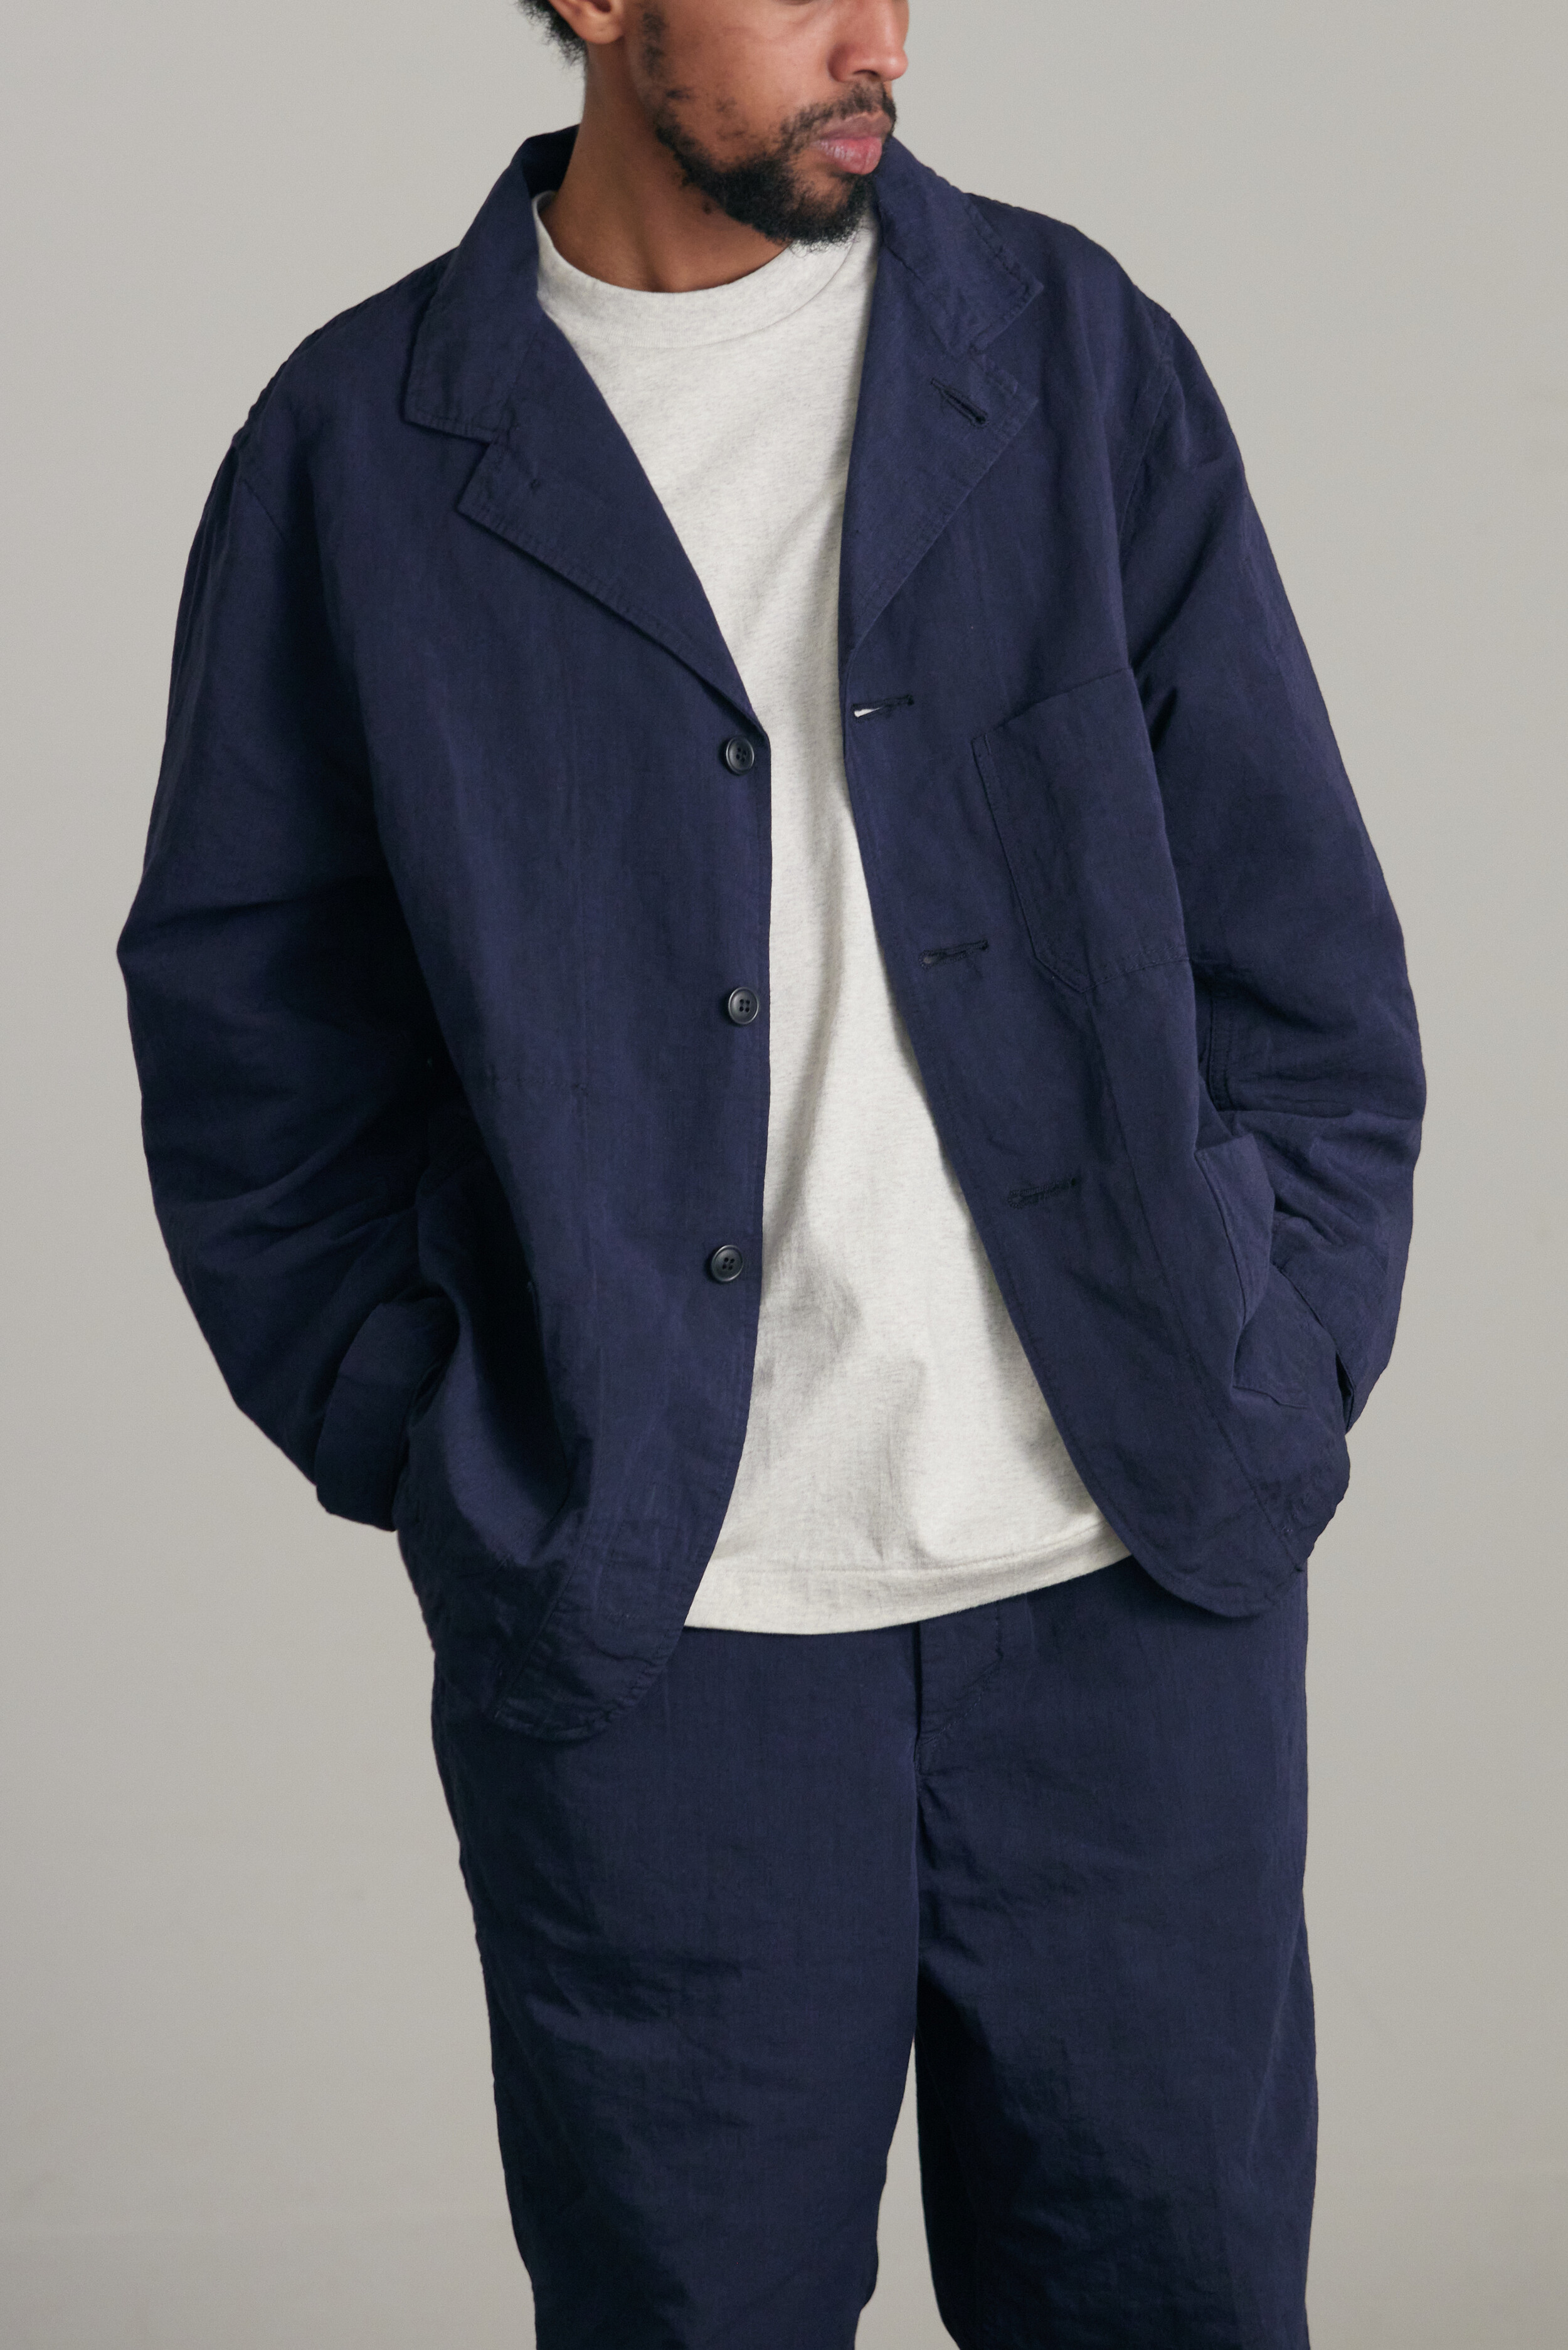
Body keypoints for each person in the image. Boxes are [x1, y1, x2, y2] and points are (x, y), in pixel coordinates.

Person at [119, 0, 1424, 2341]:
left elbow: (1295, 945)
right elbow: (250, 1037)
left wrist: (1274, 1340)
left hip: (1131, 1595)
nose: (880, 35)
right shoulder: (356, 450)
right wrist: (450, 1437)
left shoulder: (1068, 355)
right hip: (659, 1651)